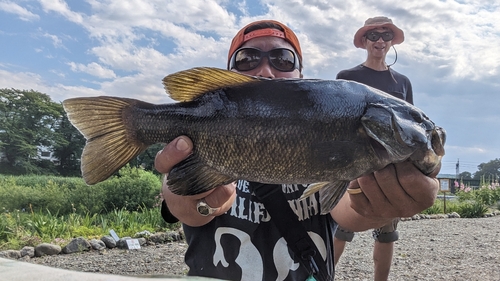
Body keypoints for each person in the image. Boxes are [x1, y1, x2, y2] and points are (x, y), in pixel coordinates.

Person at [155, 19, 440, 281]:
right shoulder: (195, 141)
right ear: (227, 77)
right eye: (247, 59)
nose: (265, 69)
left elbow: (349, 210)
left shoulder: (324, 141)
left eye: (282, 59)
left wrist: (380, 206)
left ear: (302, 77)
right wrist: (194, 201)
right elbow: (184, 204)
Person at [333, 16, 413, 281]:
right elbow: (337, 122)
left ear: (391, 42)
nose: (380, 41)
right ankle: (323, 275)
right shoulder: (347, 78)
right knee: (342, 227)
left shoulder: (402, 82)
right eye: (374, 36)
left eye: (386, 36)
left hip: (389, 167)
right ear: (364, 41)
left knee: (387, 232)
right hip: (353, 163)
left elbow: (410, 126)